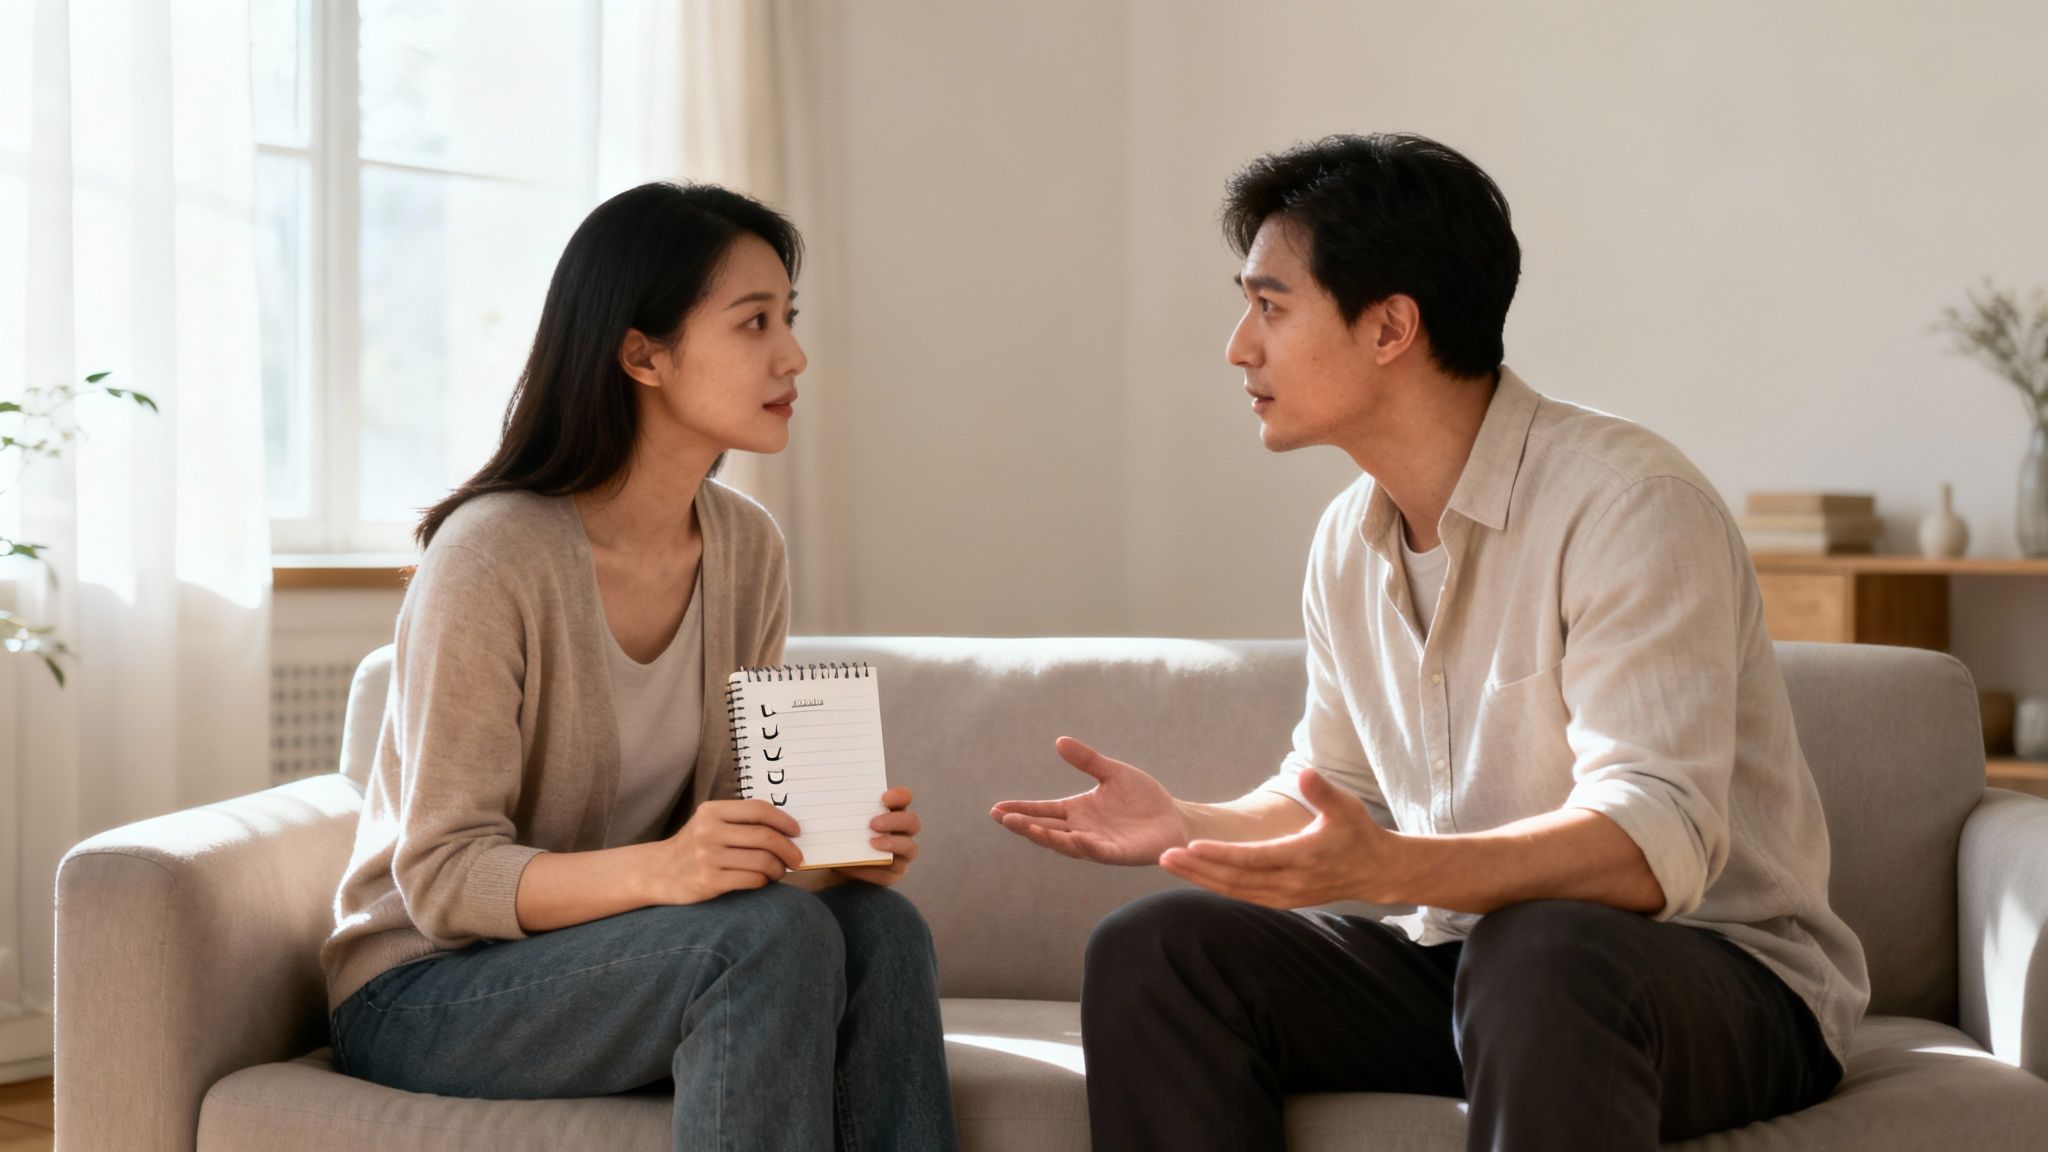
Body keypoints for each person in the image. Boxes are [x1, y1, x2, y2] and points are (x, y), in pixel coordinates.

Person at [992, 133, 1866, 1152]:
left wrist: (1399, 864)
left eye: (1269, 306)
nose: (1238, 345)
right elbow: (1339, 792)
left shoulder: (1627, 502)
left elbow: (1646, 845)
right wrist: (1186, 822)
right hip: (1479, 967)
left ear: (1389, 327)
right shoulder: (1344, 539)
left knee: (1539, 951)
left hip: (1711, 975)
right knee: (1158, 948)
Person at [322, 182, 958, 1152]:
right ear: (641, 354)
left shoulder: (748, 549)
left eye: (787, 318)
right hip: (427, 986)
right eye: (753, 322)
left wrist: (827, 851)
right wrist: (670, 870)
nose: (792, 354)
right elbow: (444, 880)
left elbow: (730, 848)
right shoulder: (491, 555)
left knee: (882, 929)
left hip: (629, 956)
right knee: (765, 941)